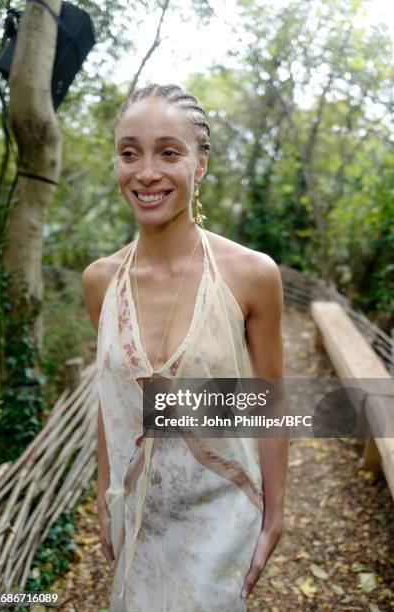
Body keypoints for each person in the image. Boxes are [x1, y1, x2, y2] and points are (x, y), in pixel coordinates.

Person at [82, 83, 289, 611]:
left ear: (200, 165)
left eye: (168, 152)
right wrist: (109, 498)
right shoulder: (101, 282)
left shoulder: (250, 275)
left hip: (220, 510)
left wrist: (274, 515)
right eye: (129, 152)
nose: (146, 171)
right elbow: (114, 404)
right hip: (139, 511)